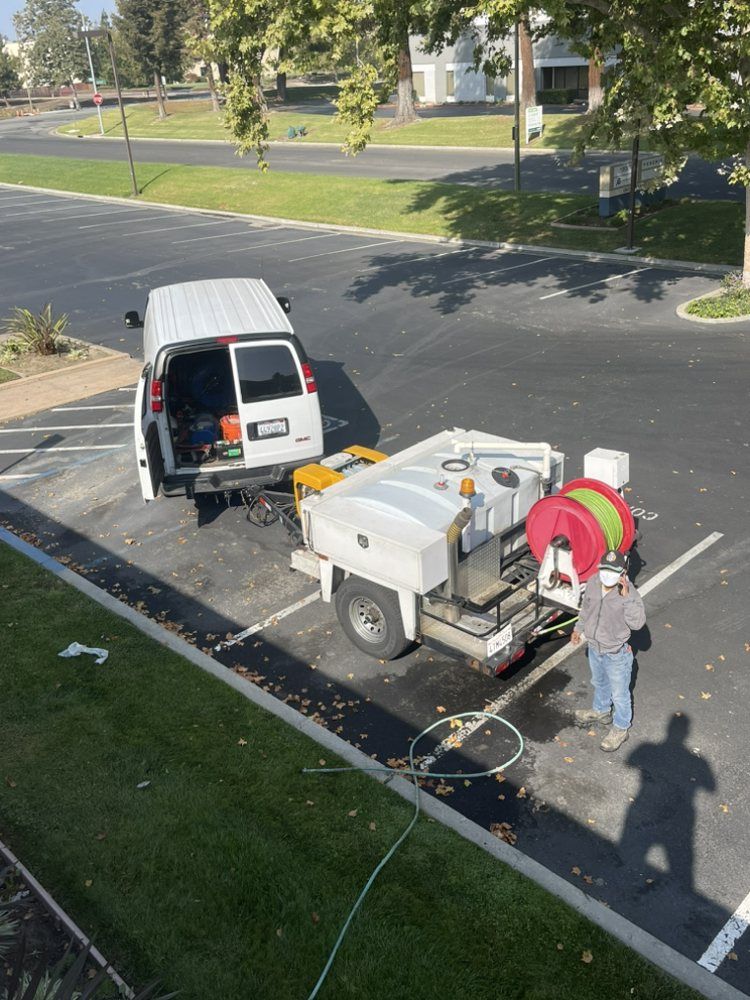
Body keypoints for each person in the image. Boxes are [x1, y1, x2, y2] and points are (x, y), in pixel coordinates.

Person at [570, 549, 646, 752]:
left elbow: (637, 623)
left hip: (616, 654)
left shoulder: (628, 593)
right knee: (600, 682)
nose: (607, 575)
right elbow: (586, 609)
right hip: (594, 648)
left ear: (623, 573)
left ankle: (621, 728)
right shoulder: (594, 582)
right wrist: (578, 629)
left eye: (613, 571)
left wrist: (627, 596)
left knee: (620, 694)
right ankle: (601, 711)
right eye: (605, 569)